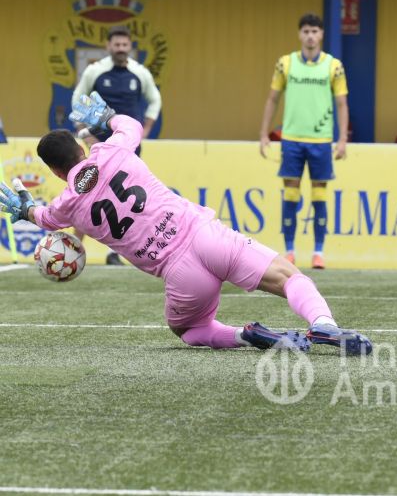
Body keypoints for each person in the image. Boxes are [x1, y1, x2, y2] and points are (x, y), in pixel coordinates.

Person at [0, 92, 371, 355]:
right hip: (204, 236)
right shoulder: (111, 149)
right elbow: (130, 126)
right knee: (289, 276)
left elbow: (45, 217)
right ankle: (323, 324)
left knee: (189, 330)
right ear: (81, 150)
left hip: (179, 273)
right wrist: (105, 118)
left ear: (54, 170)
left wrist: (24, 209)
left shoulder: (68, 205)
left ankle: (246, 335)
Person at [259, 13, 349, 270]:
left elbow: (342, 104)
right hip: (292, 140)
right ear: (300, 34)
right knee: (290, 194)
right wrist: (264, 133)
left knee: (319, 196)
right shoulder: (285, 64)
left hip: (321, 141)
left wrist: (342, 139)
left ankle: (318, 252)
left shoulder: (334, 66)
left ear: (322, 35)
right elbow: (272, 99)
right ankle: (289, 251)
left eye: (315, 31)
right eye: (306, 31)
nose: (310, 36)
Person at [72, 25, 162, 266]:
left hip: (130, 147)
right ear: (108, 46)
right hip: (100, 144)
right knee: (89, 192)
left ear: (130, 47)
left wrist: (146, 130)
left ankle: (119, 253)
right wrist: (86, 136)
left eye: (125, 45)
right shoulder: (95, 71)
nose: (121, 49)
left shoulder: (140, 73)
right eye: (117, 44)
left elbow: (155, 101)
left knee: (127, 200)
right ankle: (73, 247)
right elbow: (77, 99)